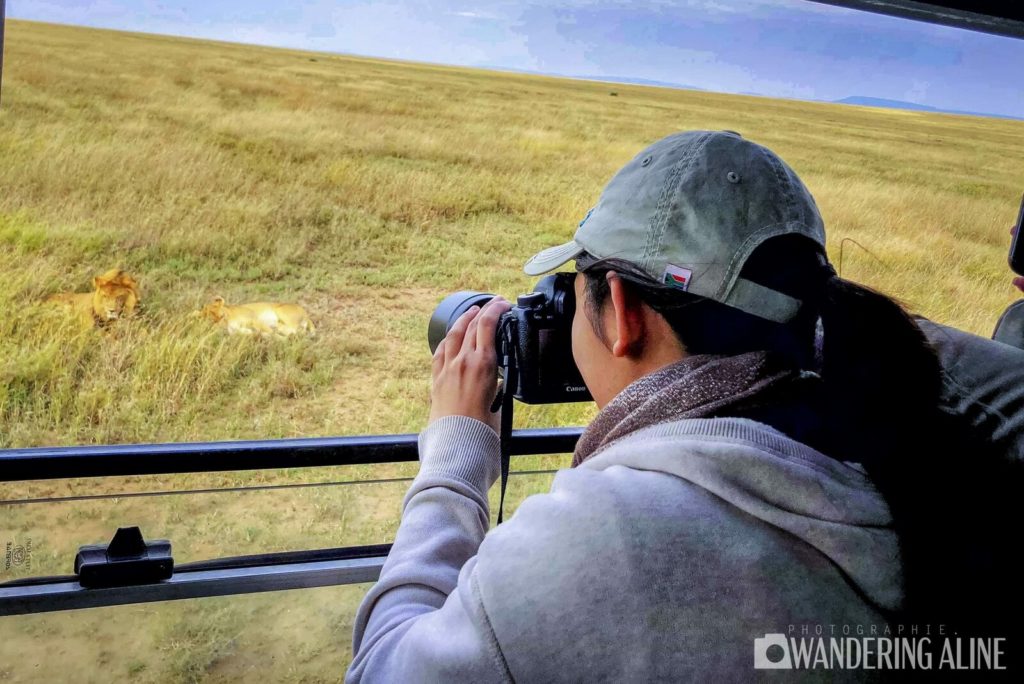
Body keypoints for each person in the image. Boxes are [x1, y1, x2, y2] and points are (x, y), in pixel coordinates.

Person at [347, 130, 1021, 682]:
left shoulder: (604, 535)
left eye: (572, 287)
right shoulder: (910, 446)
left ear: (622, 312)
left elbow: (382, 671)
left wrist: (455, 457)